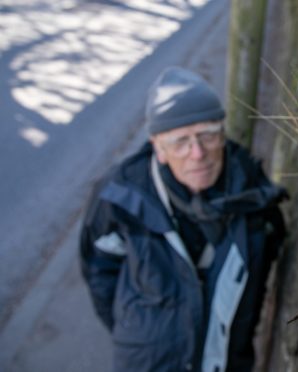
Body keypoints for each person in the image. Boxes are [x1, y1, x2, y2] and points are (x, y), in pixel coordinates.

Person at [80, 67, 287, 372]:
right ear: (158, 149)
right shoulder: (120, 198)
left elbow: (264, 270)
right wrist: (135, 331)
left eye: (207, 135)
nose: (197, 153)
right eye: (180, 142)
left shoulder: (254, 195)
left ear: (222, 135)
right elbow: (100, 273)